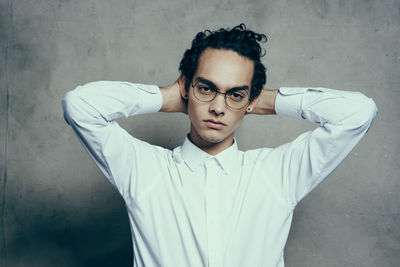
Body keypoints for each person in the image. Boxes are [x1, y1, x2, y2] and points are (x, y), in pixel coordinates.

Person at [61, 24, 377, 267]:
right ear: (186, 86)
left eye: (235, 95)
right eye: (206, 88)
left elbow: (358, 113)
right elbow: (80, 106)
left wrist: (258, 100)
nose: (218, 107)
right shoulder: (144, 170)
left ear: (251, 99)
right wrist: (170, 96)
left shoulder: (277, 174)